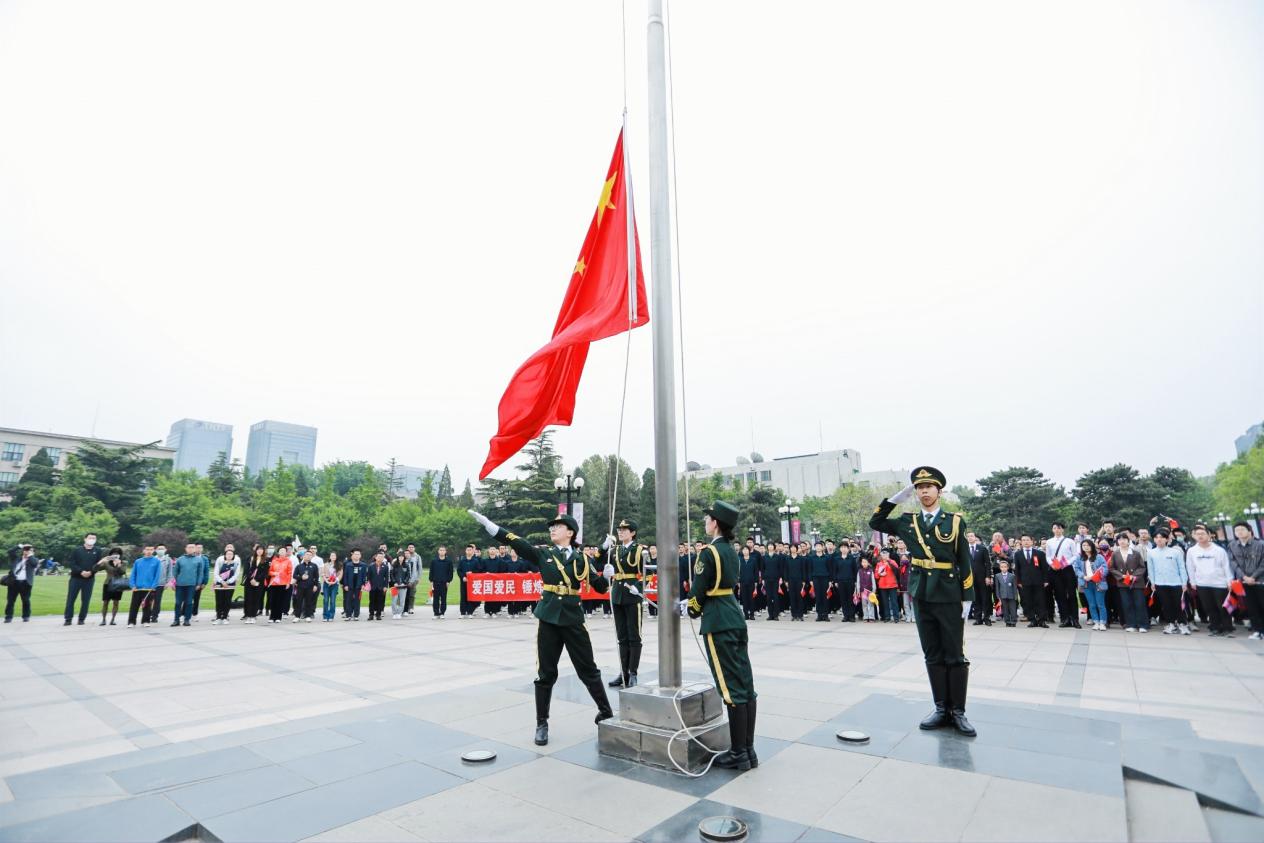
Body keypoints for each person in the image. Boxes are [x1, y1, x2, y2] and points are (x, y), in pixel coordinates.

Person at [467, 508, 612, 747]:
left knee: (588, 669)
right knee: (546, 674)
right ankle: (541, 723)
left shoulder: (582, 560)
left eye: (558, 526)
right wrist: (490, 526)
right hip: (549, 619)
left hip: (573, 620)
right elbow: (516, 541)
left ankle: (605, 712)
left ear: (570, 532)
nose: (552, 529)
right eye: (551, 527)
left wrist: (606, 577)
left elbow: (599, 587)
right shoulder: (544, 554)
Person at [869, 466, 976, 737]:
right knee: (932, 652)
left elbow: (964, 559)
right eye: (919, 488)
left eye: (929, 487)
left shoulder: (954, 521)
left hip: (949, 593)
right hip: (922, 593)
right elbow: (876, 522)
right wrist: (896, 499)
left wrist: (968, 596)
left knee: (954, 653)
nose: (924, 491)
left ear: (939, 491)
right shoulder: (908, 521)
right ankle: (940, 708)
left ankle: (958, 711)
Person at [686, 500, 759, 770]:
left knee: (729, 687)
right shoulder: (731, 551)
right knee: (745, 684)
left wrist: (691, 609)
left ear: (715, 523)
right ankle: (748, 750)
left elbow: (699, 589)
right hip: (734, 615)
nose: (705, 522)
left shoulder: (709, 553)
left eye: (708, 519)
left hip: (717, 619)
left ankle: (739, 752)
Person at [599, 518, 648, 689]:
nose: (620, 532)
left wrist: (638, 587)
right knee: (622, 637)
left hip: (632, 595)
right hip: (618, 595)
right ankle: (623, 672)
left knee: (634, 636)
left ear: (632, 533)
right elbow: (596, 560)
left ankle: (633, 673)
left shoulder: (640, 550)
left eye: (624, 529)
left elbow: (648, 574)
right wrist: (603, 547)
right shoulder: (615, 550)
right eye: (619, 530)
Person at [1187, 524, 1234, 637]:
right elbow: (1190, 567)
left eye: (1203, 534)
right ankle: (1215, 627)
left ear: (1209, 535)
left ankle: (1227, 628)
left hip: (1220, 583)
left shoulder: (1219, 550)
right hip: (1202, 583)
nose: (1200, 536)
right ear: (1194, 536)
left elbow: (1226, 566)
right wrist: (1193, 582)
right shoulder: (1192, 551)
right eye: (1197, 534)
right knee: (1209, 607)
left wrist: (1229, 581)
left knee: (1222, 607)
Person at [1147, 529, 1189, 635]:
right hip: (1160, 583)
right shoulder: (1151, 553)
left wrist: (1184, 582)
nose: (1159, 539)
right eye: (1156, 537)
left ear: (1167, 539)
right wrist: (1153, 582)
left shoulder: (1175, 552)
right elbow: (1151, 569)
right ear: (1154, 539)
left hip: (1176, 583)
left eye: (1161, 537)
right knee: (1166, 605)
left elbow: (1182, 568)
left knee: (1179, 604)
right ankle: (1171, 624)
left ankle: (1182, 624)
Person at [1226, 522, 1264, 640]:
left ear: (1249, 530)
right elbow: (1233, 563)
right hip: (1244, 582)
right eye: (1237, 530)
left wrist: (1253, 577)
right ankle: (1258, 631)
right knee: (1251, 607)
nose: (1239, 532)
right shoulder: (1232, 545)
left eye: (1242, 529)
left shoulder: (1260, 544)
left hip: (1260, 581)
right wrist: (1244, 577)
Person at [1109, 533, 1149, 633]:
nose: (1122, 541)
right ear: (1117, 542)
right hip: (1123, 583)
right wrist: (1121, 576)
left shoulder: (1136, 553)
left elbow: (1142, 567)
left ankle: (1143, 625)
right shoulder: (1115, 553)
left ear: (1128, 541)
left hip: (1136, 582)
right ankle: (1131, 624)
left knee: (1139, 603)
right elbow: (1112, 568)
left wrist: (1134, 576)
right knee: (1127, 603)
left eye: (1124, 539)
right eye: (1119, 539)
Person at [1045, 522, 1080, 628]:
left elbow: (1075, 556)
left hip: (1067, 569)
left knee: (1071, 594)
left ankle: (1075, 619)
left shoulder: (1069, 541)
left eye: (1059, 528)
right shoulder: (1049, 542)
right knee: (1060, 595)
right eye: (1055, 528)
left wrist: (1066, 563)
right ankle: (1065, 619)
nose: (1057, 530)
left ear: (1062, 530)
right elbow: (1048, 556)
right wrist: (1052, 564)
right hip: (1055, 570)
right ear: (1052, 530)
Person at [64, 532, 103, 626]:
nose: (92, 540)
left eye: (94, 538)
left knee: (86, 600)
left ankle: (81, 619)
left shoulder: (98, 551)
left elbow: (98, 565)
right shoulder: (77, 550)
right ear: (85, 539)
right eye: (90, 538)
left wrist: (91, 572)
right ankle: (68, 619)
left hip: (89, 579)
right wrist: (81, 571)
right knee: (71, 599)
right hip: (76, 578)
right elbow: (72, 563)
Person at [1074, 538, 1110, 631]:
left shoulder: (1099, 557)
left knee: (1100, 604)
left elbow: (1105, 568)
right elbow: (1076, 568)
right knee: (1092, 604)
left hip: (1098, 583)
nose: (1086, 547)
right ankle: (1096, 621)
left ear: (1092, 546)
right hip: (1086, 583)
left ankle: (1103, 622)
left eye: (1088, 545)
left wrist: (1097, 576)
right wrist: (1083, 576)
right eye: (1084, 545)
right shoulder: (1079, 557)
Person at [1014, 535, 1048, 628]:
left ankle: (1042, 620)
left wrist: (1045, 580)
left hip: (1038, 581)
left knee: (1040, 601)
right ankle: (1032, 620)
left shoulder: (1040, 553)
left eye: (1027, 540)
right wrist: (1018, 581)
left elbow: (1044, 568)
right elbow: (1017, 569)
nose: (1026, 542)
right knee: (1028, 601)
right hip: (1025, 582)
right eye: (1023, 540)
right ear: (1021, 542)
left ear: (1032, 541)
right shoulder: (1018, 554)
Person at [126, 545, 162, 626]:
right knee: (134, 605)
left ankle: (145, 621)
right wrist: (133, 585)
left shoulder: (157, 561)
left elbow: (157, 575)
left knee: (147, 605)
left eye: (151, 549)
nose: (149, 551)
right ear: (144, 551)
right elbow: (133, 574)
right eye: (147, 549)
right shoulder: (138, 561)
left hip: (149, 588)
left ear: (153, 551)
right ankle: (131, 622)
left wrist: (153, 586)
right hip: (137, 588)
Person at [171, 543, 203, 627]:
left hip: (192, 585)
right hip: (180, 585)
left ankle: (187, 620)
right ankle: (176, 620)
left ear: (195, 549)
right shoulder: (180, 559)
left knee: (189, 602)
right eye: (189, 547)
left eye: (192, 547)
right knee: (178, 603)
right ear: (186, 549)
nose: (190, 549)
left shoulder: (199, 560)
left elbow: (200, 573)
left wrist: (198, 583)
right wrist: (173, 583)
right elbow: (175, 572)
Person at [5, 544, 37, 623]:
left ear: (32, 552)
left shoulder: (33, 560)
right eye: (26, 550)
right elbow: (10, 552)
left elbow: (34, 564)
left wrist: (30, 555)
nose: (27, 551)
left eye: (30, 550)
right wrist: (19, 546)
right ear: (23, 551)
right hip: (14, 582)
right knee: (10, 601)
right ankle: (8, 617)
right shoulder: (16, 558)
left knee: (26, 601)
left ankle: (26, 616)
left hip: (26, 583)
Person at [966, 532, 992, 626]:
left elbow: (988, 563)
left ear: (975, 537)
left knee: (985, 598)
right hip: (970, 578)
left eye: (971, 536)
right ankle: (978, 618)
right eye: (968, 536)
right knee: (976, 598)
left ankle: (987, 618)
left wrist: (988, 576)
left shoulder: (982, 548)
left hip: (982, 577)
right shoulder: (964, 549)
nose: (970, 538)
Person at [211, 546, 241, 624]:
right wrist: (222, 581)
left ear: (233, 556)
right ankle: (218, 618)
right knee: (219, 601)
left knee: (227, 601)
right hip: (219, 585)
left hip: (230, 586)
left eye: (231, 554)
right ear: (225, 555)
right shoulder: (220, 562)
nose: (229, 555)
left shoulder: (236, 564)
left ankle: (225, 617)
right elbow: (216, 573)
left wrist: (228, 582)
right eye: (228, 554)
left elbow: (236, 574)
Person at [98, 548, 127, 626]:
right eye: (114, 553)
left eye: (117, 554)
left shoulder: (123, 563)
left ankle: (112, 620)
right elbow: (96, 568)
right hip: (108, 584)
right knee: (105, 602)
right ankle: (103, 620)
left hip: (118, 584)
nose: (115, 555)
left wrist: (118, 565)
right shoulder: (106, 563)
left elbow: (122, 572)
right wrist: (101, 561)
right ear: (110, 555)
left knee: (116, 602)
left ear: (120, 555)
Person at [267, 545, 294, 624]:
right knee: (273, 600)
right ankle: (272, 617)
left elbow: (289, 573)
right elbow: (269, 571)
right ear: (278, 552)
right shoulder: (274, 561)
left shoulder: (288, 561)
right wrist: (274, 573)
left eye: (284, 551)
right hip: (274, 583)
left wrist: (288, 582)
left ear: (286, 553)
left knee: (280, 600)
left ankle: (278, 617)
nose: (282, 552)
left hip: (283, 583)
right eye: (281, 551)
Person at [292, 549, 319, 622]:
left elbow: (316, 577)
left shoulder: (314, 566)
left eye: (310, 555)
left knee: (308, 601)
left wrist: (315, 585)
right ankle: (297, 616)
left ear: (311, 557)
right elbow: (294, 576)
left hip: (310, 586)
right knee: (299, 601)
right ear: (303, 556)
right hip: (300, 586)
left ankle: (308, 615)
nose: (308, 556)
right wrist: (301, 577)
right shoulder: (299, 566)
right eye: (307, 555)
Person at [243, 545, 268, 624]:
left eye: (261, 549)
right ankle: (248, 616)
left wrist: (256, 579)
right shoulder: (250, 559)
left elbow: (265, 573)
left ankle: (253, 616)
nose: (259, 551)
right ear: (255, 550)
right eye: (258, 549)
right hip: (249, 582)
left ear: (263, 551)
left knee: (256, 599)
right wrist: (251, 579)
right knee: (249, 599)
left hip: (259, 583)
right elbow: (246, 570)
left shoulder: (266, 560)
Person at [342, 549, 367, 620]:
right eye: (355, 554)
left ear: (360, 556)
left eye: (358, 554)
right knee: (348, 600)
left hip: (358, 585)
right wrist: (345, 585)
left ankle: (356, 615)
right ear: (352, 555)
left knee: (357, 600)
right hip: (350, 585)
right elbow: (345, 576)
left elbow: (364, 576)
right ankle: (348, 615)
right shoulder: (348, 565)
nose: (356, 556)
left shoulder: (363, 565)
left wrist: (363, 584)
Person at [430, 545, 453, 618]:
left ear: (445, 552)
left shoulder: (449, 562)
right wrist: (431, 581)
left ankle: (442, 613)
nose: (442, 551)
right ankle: (436, 613)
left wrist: (448, 581)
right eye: (440, 550)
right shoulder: (434, 561)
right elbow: (431, 572)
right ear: (438, 551)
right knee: (435, 599)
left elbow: (450, 573)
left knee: (443, 599)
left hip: (444, 583)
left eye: (443, 550)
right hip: (435, 582)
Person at [458, 544, 480, 618]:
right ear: (465, 551)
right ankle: (462, 613)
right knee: (463, 596)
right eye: (467, 550)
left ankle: (470, 612)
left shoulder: (475, 561)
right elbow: (459, 570)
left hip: (472, 582)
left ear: (472, 551)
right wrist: (463, 577)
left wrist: (472, 573)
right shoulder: (462, 561)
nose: (469, 551)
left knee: (471, 596)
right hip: (464, 582)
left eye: (470, 550)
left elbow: (478, 571)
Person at [366, 550, 390, 620]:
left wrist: (385, 586)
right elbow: (368, 577)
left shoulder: (385, 567)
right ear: (376, 557)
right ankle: (371, 614)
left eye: (381, 557)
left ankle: (378, 614)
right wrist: (368, 585)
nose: (380, 558)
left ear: (383, 558)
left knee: (380, 601)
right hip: (372, 587)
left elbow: (386, 577)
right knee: (372, 601)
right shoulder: (371, 566)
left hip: (381, 587)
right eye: (378, 557)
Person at [994, 559, 1018, 626]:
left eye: (1005, 567)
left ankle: (1013, 621)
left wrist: (1015, 595)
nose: (1003, 568)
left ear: (1008, 567)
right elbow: (997, 587)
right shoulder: (997, 576)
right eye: (1002, 567)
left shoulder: (1012, 576)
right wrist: (998, 596)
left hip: (1011, 595)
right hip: (1002, 595)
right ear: (1000, 568)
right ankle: (1007, 621)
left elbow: (1014, 586)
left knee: (1012, 609)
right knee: (1005, 609)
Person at [153, 543, 173, 623]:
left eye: (162, 549)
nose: (160, 550)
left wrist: (167, 583)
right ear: (156, 550)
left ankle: (154, 616)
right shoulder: (153, 559)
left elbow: (170, 572)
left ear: (165, 550)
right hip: (151, 584)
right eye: (159, 549)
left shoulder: (168, 560)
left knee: (157, 600)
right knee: (149, 600)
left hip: (161, 583)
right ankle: (148, 614)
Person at [739, 545, 759, 621]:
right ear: (742, 551)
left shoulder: (753, 560)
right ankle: (746, 615)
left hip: (751, 582)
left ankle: (752, 614)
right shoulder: (740, 560)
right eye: (743, 550)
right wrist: (738, 582)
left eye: (746, 549)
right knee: (744, 599)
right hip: (743, 582)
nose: (745, 551)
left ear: (749, 551)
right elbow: (738, 572)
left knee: (752, 599)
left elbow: (756, 571)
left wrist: (756, 581)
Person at [320, 551, 341, 622]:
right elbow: (322, 574)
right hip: (326, 583)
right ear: (330, 557)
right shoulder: (325, 565)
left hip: (335, 584)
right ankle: (325, 616)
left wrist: (335, 581)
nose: (333, 557)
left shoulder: (339, 565)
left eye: (334, 556)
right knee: (326, 600)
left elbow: (340, 574)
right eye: (332, 555)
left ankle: (331, 615)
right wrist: (326, 581)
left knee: (332, 600)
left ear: (336, 557)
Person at [403, 544, 422, 616]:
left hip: (414, 579)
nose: (411, 548)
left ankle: (411, 607)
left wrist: (418, 578)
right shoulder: (404, 556)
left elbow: (419, 567)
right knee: (404, 594)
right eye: (409, 547)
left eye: (412, 547)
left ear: (414, 548)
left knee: (412, 594)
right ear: (407, 548)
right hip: (405, 579)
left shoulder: (417, 557)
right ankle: (404, 608)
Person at [390, 552, 410, 618]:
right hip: (395, 586)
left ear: (404, 558)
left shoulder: (406, 565)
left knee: (402, 601)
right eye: (400, 557)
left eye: (402, 557)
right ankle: (394, 613)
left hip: (403, 586)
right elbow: (391, 574)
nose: (401, 558)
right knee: (394, 601)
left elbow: (408, 575)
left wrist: (404, 582)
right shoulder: (394, 565)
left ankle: (399, 613)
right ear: (398, 558)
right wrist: (394, 582)